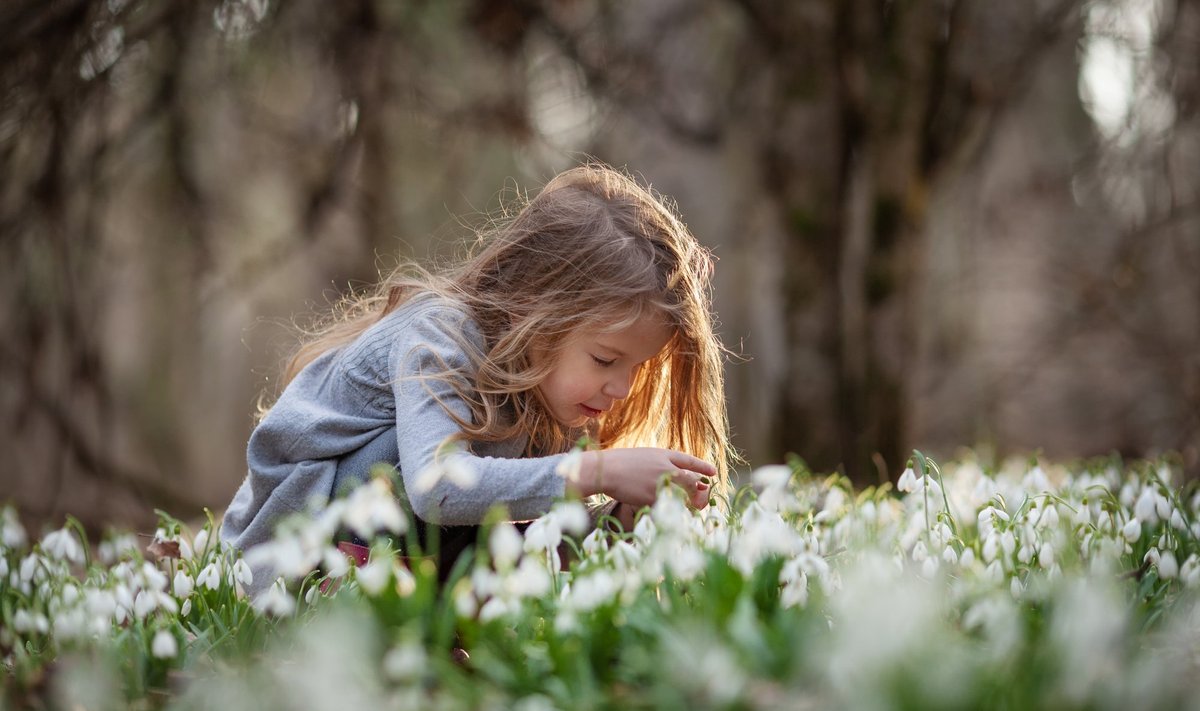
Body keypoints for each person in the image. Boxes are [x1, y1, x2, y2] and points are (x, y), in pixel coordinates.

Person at [220, 163, 735, 595]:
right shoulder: (440, 336)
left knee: (516, 490)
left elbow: (538, 542)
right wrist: (597, 472)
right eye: (604, 359)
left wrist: (624, 516)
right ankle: (353, 613)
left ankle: (424, 622)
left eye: (637, 367)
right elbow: (434, 491)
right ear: (534, 312)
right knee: (445, 471)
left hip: (395, 560)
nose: (622, 388)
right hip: (279, 561)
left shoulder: (548, 397)